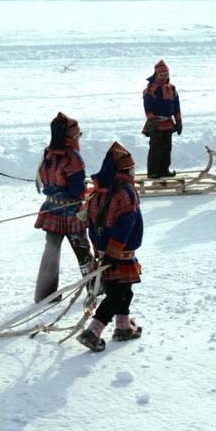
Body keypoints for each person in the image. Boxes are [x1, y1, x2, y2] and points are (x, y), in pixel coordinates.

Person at [77, 142, 144, 352]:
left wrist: (100, 250)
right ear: (122, 172)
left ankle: (123, 327)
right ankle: (93, 331)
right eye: (131, 170)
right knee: (117, 295)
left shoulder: (99, 193)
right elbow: (125, 225)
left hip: (108, 252)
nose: (134, 173)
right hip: (120, 254)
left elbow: (91, 225)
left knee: (125, 292)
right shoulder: (126, 194)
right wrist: (113, 253)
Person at [34, 113, 95, 303]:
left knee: (51, 250)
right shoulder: (73, 158)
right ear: (71, 137)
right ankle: (96, 287)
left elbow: (43, 180)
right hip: (71, 212)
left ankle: (45, 294)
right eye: (78, 136)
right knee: (82, 250)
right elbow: (77, 191)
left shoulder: (47, 153)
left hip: (51, 208)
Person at [141, 60, 182, 179]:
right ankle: (153, 172)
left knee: (166, 148)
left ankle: (164, 170)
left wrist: (179, 121)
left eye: (166, 75)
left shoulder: (172, 88)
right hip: (155, 123)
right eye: (161, 75)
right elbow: (147, 106)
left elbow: (176, 106)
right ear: (156, 75)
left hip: (168, 123)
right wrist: (151, 120)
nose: (164, 77)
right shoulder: (151, 89)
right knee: (155, 148)